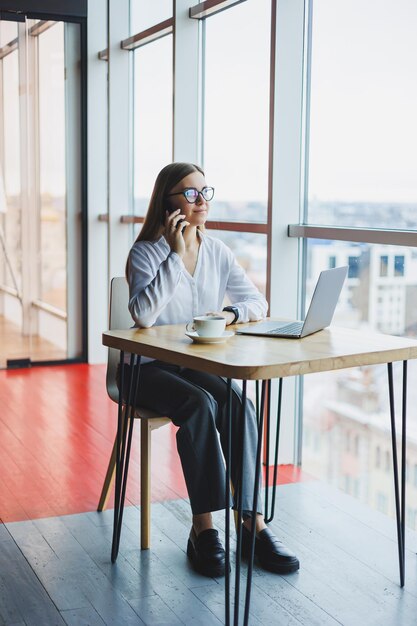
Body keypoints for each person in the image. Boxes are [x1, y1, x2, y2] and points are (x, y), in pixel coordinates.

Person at [122, 162, 299, 577]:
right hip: (145, 369)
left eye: (205, 192)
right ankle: (203, 530)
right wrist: (176, 254)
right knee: (199, 405)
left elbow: (258, 303)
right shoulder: (145, 252)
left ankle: (252, 525)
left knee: (241, 404)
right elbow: (143, 316)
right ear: (168, 205)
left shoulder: (218, 251)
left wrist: (230, 313)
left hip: (193, 363)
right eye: (190, 194)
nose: (201, 201)